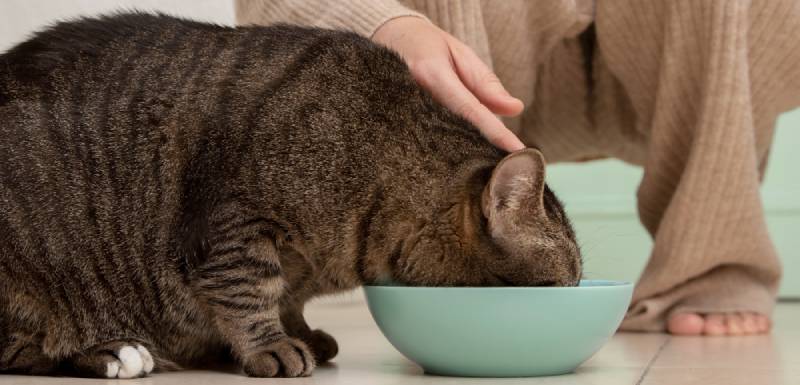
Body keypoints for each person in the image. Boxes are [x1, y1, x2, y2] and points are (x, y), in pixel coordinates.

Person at [234, 0, 800, 336]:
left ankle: (712, 261)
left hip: (676, 71)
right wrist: (386, 27)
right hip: (454, 77)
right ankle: (451, 254)